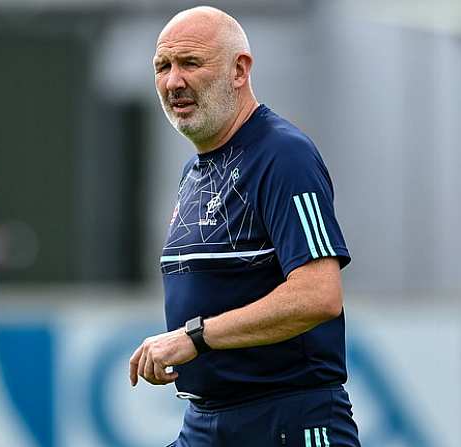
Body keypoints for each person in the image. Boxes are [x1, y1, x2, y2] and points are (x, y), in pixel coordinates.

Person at [128, 6, 361, 446]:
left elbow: (319, 295)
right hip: (205, 422)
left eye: (191, 63)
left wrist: (195, 337)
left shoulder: (282, 155)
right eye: (163, 66)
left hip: (288, 424)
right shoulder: (196, 170)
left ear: (239, 70)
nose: (173, 81)